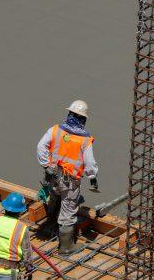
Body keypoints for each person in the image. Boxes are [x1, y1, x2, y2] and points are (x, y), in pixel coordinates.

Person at [37, 100, 99, 255]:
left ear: (70, 114)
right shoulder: (85, 139)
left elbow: (41, 146)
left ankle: (50, 224)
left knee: (54, 196)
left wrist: (46, 165)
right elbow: (89, 162)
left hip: (53, 176)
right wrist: (92, 177)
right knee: (68, 210)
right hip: (70, 181)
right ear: (83, 119)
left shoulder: (55, 130)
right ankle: (65, 247)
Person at [0, 193, 33, 279]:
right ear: (20, 211)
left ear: (5, 207)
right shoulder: (22, 228)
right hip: (10, 272)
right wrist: (29, 267)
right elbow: (27, 254)